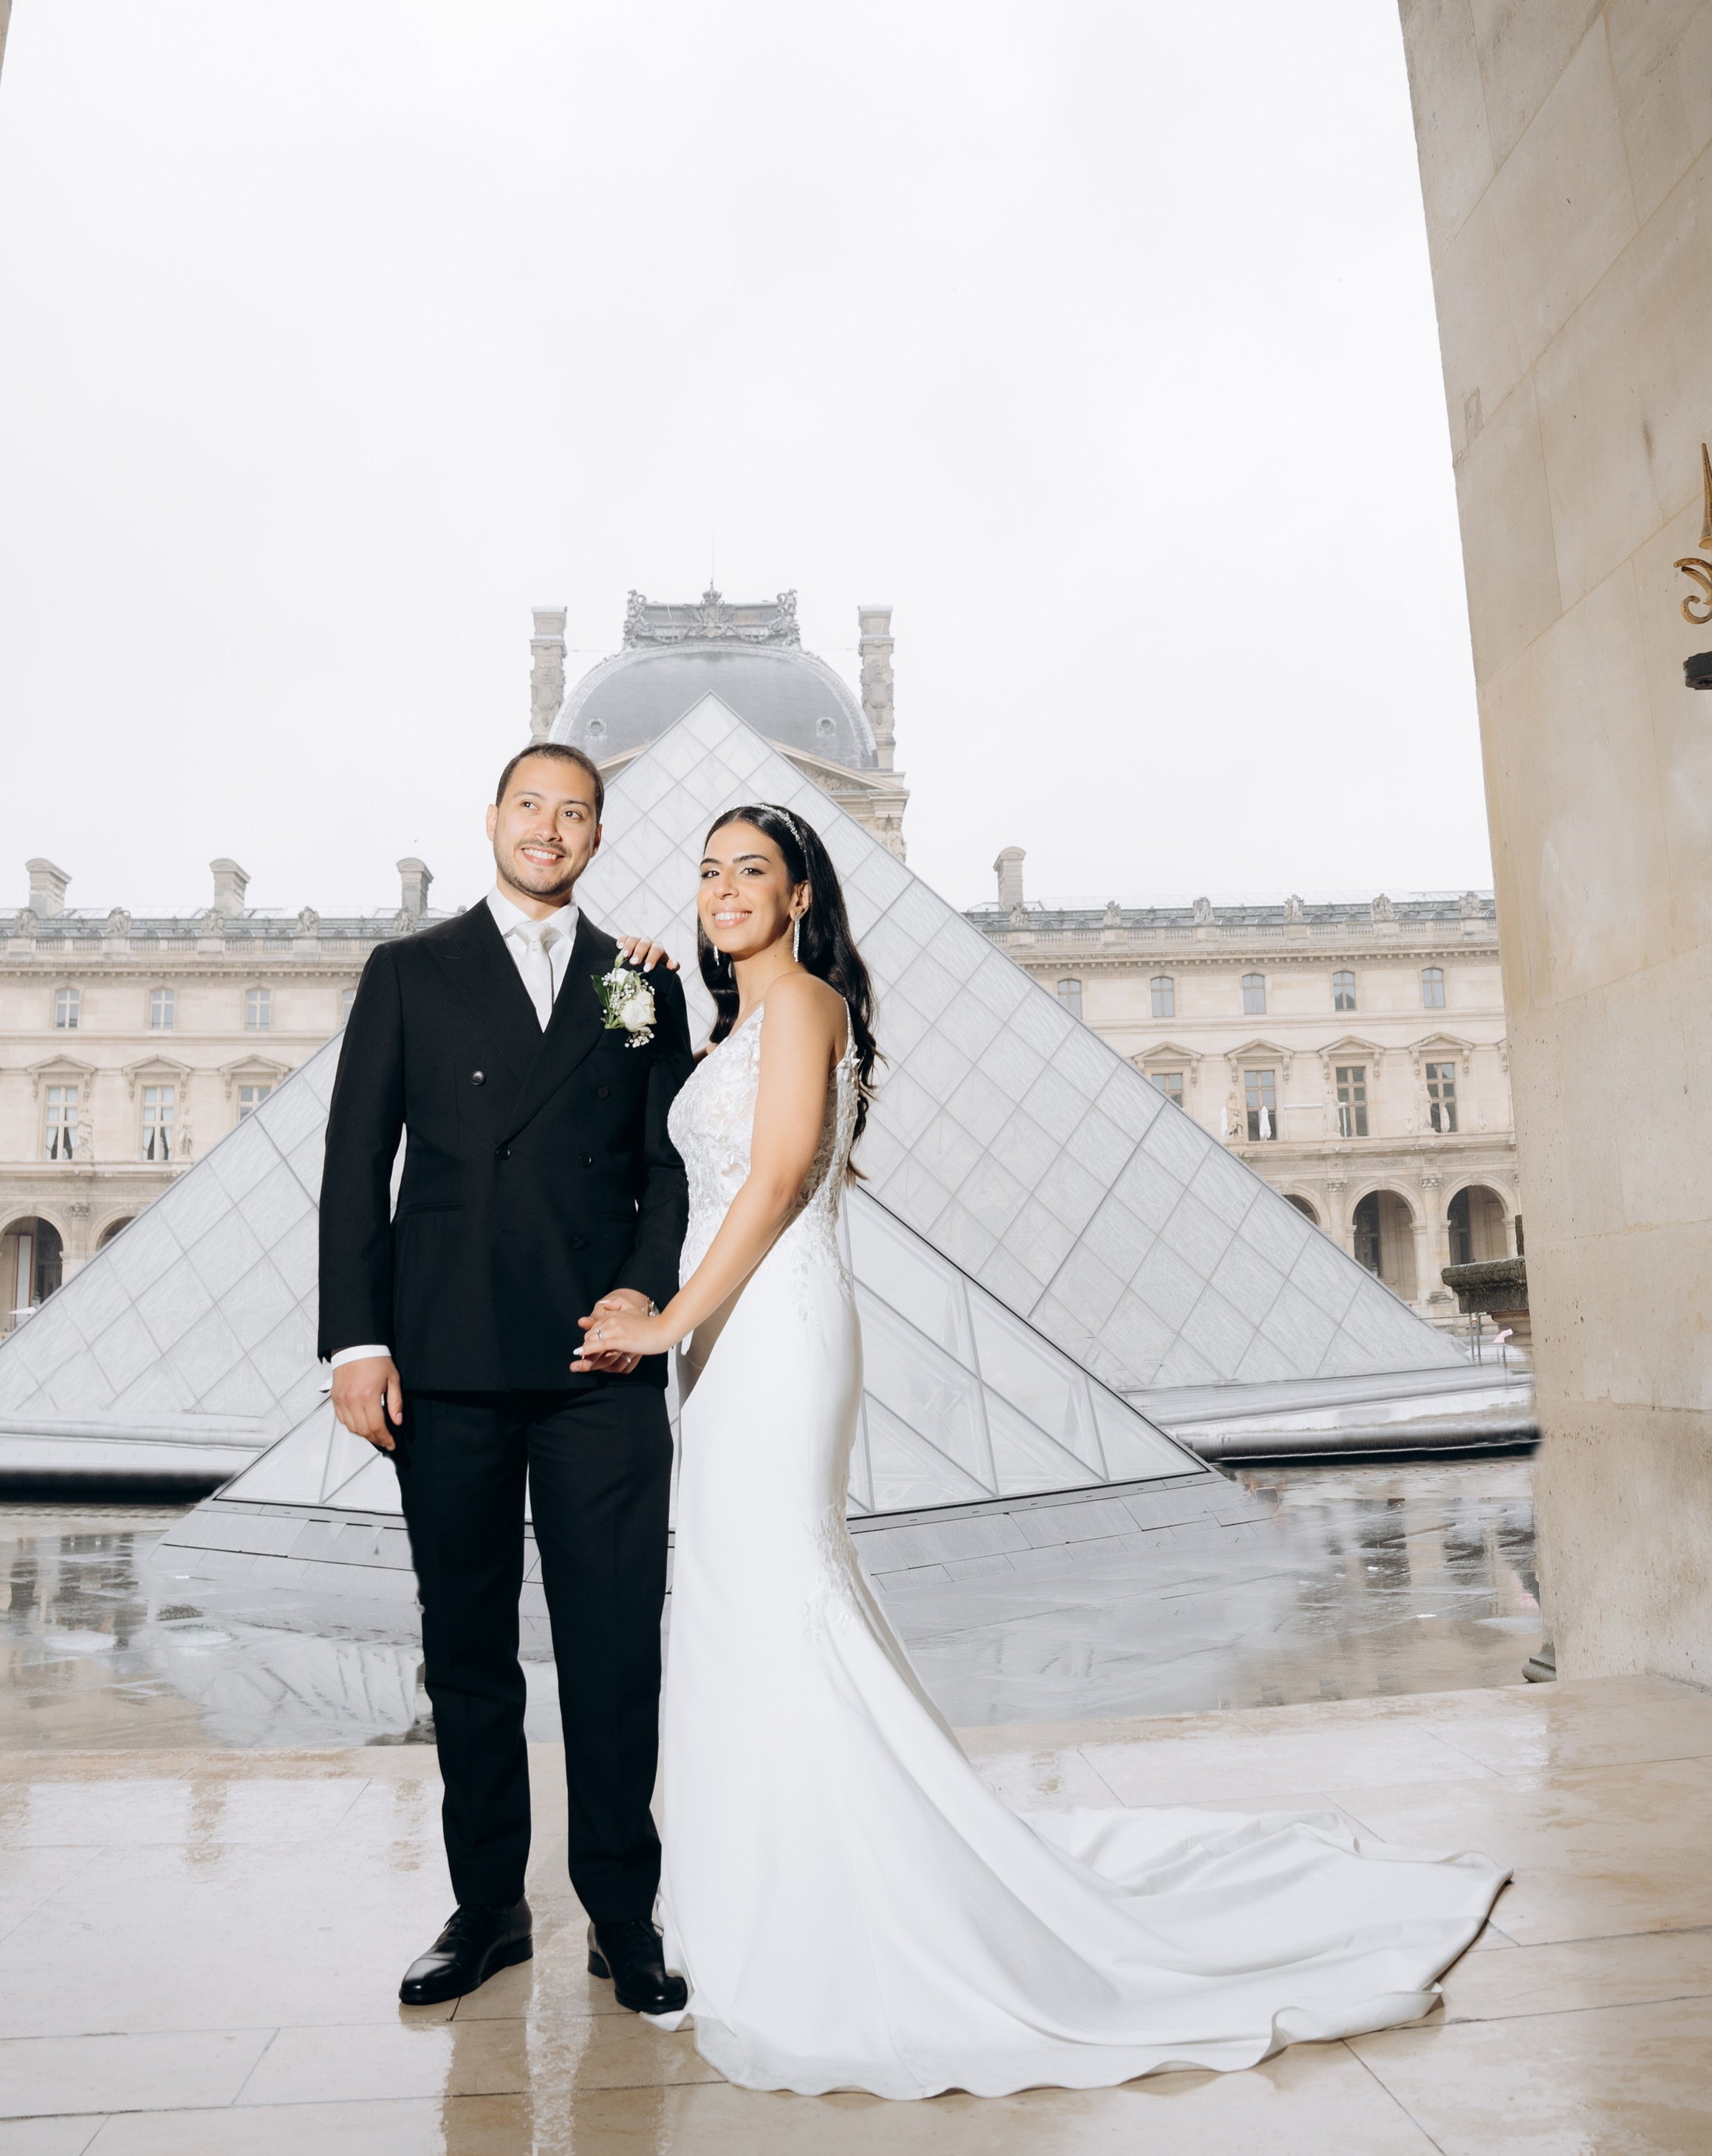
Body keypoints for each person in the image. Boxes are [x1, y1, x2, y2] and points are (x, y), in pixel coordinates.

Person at [578, 802, 1509, 2099]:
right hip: (731, 1338)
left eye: (755, 872)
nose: (725, 889)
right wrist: (666, 1285)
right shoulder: (734, 1019)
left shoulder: (800, 1007)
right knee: (743, 1605)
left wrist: (675, 1310)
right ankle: (758, 1886)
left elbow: (780, 1175)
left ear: (801, 898)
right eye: (710, 870)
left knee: (780, 1599)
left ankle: (826, 1900)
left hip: (775, 1327)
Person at [318, 742, 693, 2015]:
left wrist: (645, 1294)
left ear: (597, 836)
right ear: (493, 820)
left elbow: (669, 1165)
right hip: (451, 1358)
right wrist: (355, 1341)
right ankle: (487, 1912)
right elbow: (355, 1161)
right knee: (467, 1648)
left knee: (612, 1650)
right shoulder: (409, 972)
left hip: (600, 1360)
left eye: (574, 812)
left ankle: (622, 1917)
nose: (550, 828)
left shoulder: (642, 980)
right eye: (531, 806)